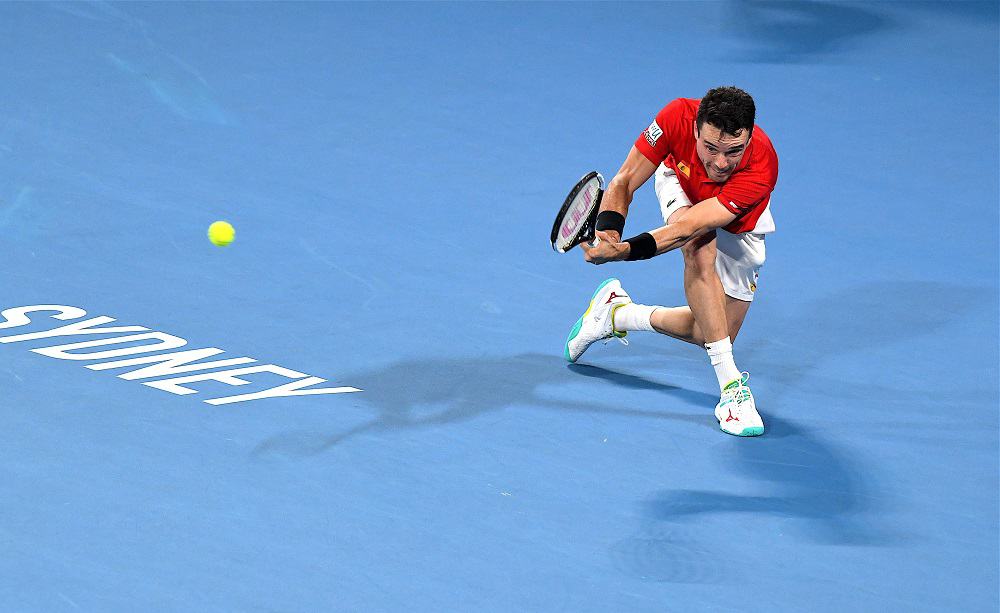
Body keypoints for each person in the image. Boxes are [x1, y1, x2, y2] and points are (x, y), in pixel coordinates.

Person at [564, 86, 778, 437]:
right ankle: (732, 391)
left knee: (711, 330)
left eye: (733, 151)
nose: (721, 163)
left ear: (749, 137)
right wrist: (609, 234)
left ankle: (616, 313)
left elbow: (688, 226)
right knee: (698, 248)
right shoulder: (675, 116)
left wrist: (624, 253)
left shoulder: (762, 165)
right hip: (680, 181)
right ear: (695, 129)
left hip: (736, 218)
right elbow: (625, 180)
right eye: (710, 147)